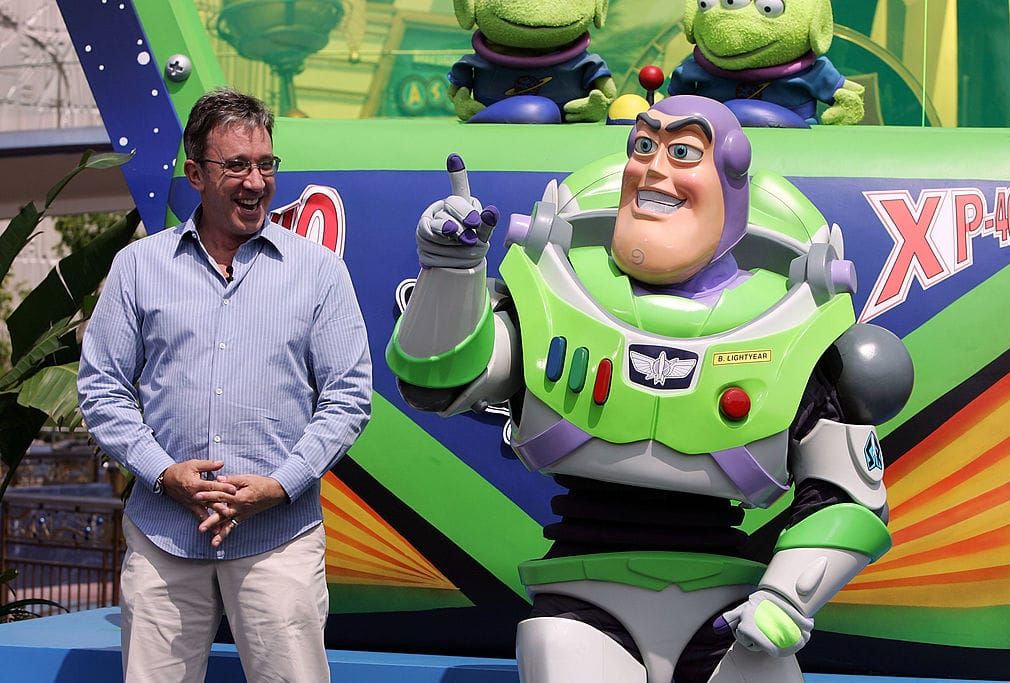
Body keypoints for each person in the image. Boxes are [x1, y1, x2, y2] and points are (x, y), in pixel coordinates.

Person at [386, 96, 912, 682]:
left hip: (730, 610)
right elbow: (440, 380)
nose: (655, 168)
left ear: (729, 180)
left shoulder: (788, 331)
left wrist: (789, 599)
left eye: (682, 151)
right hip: (584, 597)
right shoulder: (557, 299)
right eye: (644, 146)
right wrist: (450, 269)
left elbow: (847, 500)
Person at [78, 87, 372, 683]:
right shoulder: (138, 267)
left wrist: (279, 486)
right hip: (163, 538)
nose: (255, 182)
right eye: (236, 165)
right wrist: (164, 473)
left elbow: (348, 398)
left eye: (266, 164)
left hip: (278, 539)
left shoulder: (319, 271)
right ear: (195, 175)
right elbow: (102, 390)